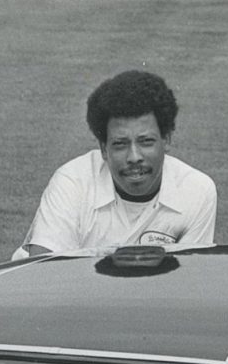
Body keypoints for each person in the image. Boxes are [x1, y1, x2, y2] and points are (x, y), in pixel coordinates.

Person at [17, 69, 217, 256]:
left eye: (146, 142)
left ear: (166, 140)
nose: (134, 157)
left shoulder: (197, 191)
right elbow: (43, 275)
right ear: (104, 148)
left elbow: (188, 279)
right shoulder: (72, 182)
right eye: (120, 144)